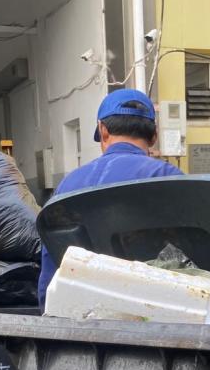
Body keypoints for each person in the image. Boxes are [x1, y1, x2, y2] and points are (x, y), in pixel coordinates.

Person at [38, 88, 183, 305]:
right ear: (154, 136)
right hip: (159, 313)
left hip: (82, 315)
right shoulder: (169, 177)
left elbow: (51, 268)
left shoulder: (69, 185)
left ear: (103, 130)